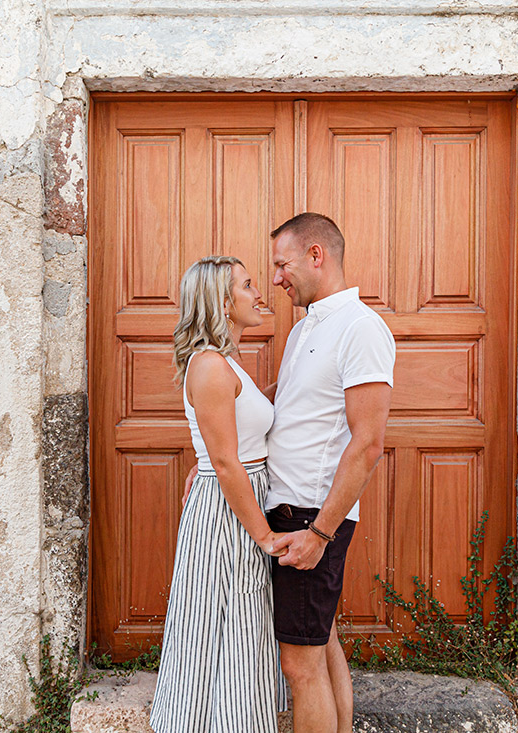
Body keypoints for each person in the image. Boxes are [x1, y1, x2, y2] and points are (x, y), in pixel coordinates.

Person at [266, 213, 395, 733]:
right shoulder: (303, 330)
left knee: (299, 667)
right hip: (292, 510)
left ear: (315, 254)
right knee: (321, 647)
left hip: (310, 516)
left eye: (282, 264)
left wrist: (319, 533)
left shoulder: (362, 328)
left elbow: (367, 445)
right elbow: (287, 409)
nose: (276, 278)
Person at [149, 255, 289, 733]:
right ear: (223, 302)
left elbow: (237, 432)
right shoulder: (209, 366)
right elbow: (227, 462)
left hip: (241, 499)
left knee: (241, 628)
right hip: (230, 512)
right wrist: (266, 537)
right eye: (248, 286)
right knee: (221, 625)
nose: (259, 293)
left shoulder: (226, 362)